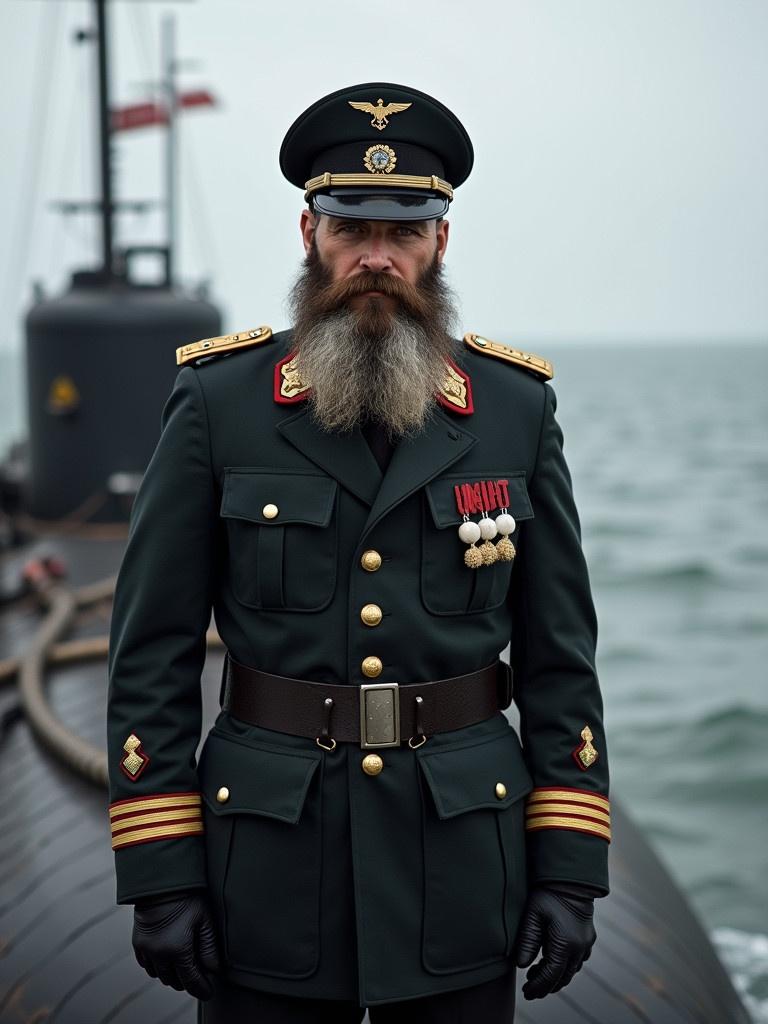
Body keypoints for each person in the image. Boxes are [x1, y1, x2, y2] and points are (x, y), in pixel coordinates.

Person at [106, 81, 611, 1022]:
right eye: (351, 229)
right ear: (311, 234)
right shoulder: (220, 405)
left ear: (440, 243)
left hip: (463, 855)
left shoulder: (513, 409)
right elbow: (152, 652)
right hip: (267, 858)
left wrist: (571, 867)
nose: (376, 257)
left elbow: (558, 661)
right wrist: (161, 872)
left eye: (404, 232)